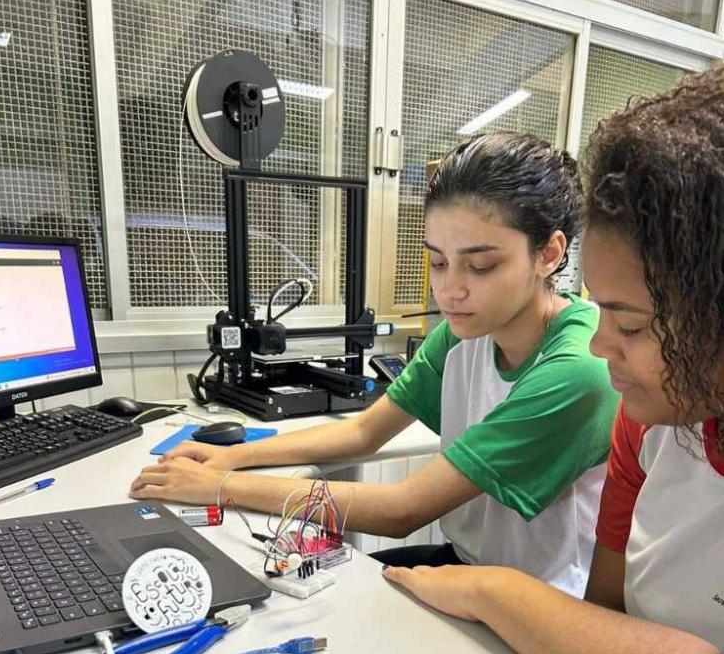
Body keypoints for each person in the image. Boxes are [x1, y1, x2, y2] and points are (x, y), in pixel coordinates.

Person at [384, 65, 724, 654]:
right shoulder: (650, 423)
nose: (602, 346)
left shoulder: (579, 372)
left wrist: (495, 591)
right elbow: (612, 618)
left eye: (632, 324)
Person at [130, 132, 618, 595]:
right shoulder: (463, 331)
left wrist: (220, 487)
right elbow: (363, 432)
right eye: (439, 262)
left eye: (481, 265)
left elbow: (401, 510)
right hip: (469, 565)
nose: (449, 289)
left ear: (549, 254)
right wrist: (233, 457)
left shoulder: (579, 367)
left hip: (539, 599)